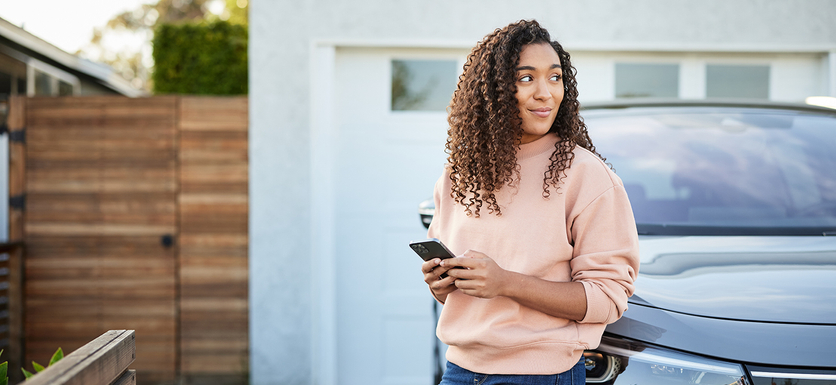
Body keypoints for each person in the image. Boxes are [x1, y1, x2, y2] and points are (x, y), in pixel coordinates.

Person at [421, 19, 640, 385]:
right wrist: (443, 285)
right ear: (491, 92)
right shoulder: (458, 175)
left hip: (540, 375)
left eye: (555, 78)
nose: (545, 93)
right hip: (460, 372)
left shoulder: (585, 175)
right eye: (526, 79)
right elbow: (471, 297)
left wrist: (506, 282)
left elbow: (608, 299)